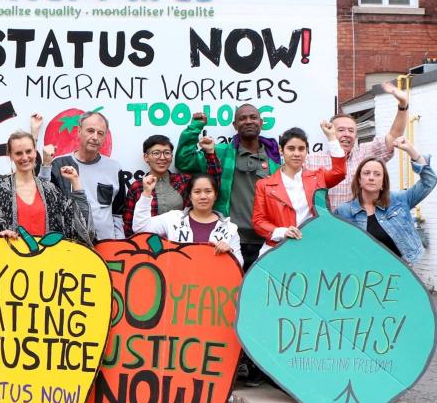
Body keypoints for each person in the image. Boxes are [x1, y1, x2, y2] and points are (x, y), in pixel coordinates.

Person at [175, 105, 281, 270]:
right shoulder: (220, 153)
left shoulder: (276, 158)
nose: (248, 121)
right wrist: (195, 127)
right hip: (230, 239)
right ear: (234, 125)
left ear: (261, 122)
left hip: (266, 239)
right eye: (242, 118)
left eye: (253, 117)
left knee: (261, 293)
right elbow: (184, 161)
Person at [0, 131, 93, 245]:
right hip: (9, 264)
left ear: (35, 152)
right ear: (10, 155)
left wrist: (75, 181)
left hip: (46, 264)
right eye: (18, 153)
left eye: (28, 151)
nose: (24, 157)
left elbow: (81, 226)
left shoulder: (50, 190)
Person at [306, 80, 410, 210]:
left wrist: (403, 105)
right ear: (330, 131)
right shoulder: (313, 160)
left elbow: (393, 136)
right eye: (341, 130)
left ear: (356, 135)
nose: (346, 134)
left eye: (351, 131)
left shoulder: (365, 153)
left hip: (357, 226)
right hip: (325, 225)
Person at [335, 137, 435, 265]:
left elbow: (429, 182)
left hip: (401, 271)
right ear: (359, 180)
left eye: (377, 174)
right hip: (365, 275)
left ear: (383, 182)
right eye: (366, 173)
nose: (371, 177)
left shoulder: (399, 200)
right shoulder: (344, 211)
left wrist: (411, 150)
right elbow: (338, 244)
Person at [252, 123, 346, 255]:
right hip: (277, 249)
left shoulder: (318, 177)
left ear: (307, 151)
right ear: (281, 150)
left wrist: (331, 137)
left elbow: (339, 172)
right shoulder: (264, 185)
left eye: (301, 149)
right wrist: (282, 232)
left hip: (312, 247)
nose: (296, 153)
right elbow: (258, 221)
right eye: (291, 148)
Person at [38, 110, 124, 241]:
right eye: (90, 131)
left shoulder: (114, 168)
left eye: (100, 133)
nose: (95, 137)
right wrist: (45, 164)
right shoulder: (59, 164)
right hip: (72, 246)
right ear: (79, 131)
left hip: (106, 244)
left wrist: (119, 243)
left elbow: (117, 213)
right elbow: (43, 199)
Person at [132, 173, 243, 266]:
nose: (203, 196)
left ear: (215, 195)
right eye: (197, 192)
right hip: (176, 287)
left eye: (208, 191)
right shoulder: (173, 218)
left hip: (211, 289)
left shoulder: (230, 228)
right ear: (190, 196)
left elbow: (239, 265)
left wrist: (229, 253)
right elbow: (141, 228)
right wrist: (146, 193)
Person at [123, 134, 221, 237]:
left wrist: (210, 153)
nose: (162, 157)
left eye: (167, 153)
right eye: (156, 153)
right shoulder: (137, 187)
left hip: (180, 243)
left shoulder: (183, 181)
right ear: (146, 157)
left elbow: (213, 183)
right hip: (149, 247)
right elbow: (129, 226)